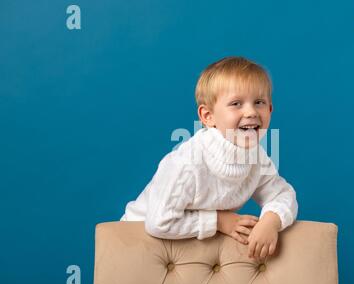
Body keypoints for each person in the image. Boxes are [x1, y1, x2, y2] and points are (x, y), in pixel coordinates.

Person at [121, 56, 298, 259]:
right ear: (208, 117)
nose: (251, 111)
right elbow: (159, 222)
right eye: (236, 103)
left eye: (259, 102)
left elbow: (282, 193)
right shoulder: (188, 163)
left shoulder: (256, 157)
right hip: (135, 242)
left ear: (270, 109)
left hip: (184, 245)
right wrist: (219, 222)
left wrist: (271, 221)